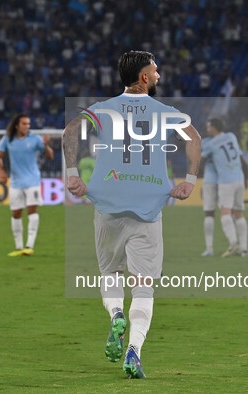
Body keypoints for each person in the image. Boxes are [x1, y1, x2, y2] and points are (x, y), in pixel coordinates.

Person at [63, 51, 201, 379]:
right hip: (148, 206)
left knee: (111, 272)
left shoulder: (103, 108)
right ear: (143, 78)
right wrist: (190, 180)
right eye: (154, 72)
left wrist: (72, 173)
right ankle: (134, 351)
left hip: (107, 202)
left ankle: (115, 314)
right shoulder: (165, 113)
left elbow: (69, 132)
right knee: (143, 287)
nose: (158, 76)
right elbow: (194, 139)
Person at [0, 114, 54, 256]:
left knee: (32, 211)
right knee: (16, 213)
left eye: (28, 124)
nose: (27, 126)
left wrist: (46, 145)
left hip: (32, 181)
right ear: (17, 125)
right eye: (24, 124)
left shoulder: (35, 139)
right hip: (16, 182)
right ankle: (18, 248)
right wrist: (2, 172)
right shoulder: (8, 139)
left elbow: (50, 156)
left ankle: (29, 246)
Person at [201, 119, 248, 257]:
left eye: (209, 126)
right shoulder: (231, 136)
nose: (207, 128)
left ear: (213, 128)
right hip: (239, 178)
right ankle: (244, 249)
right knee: (239, 213)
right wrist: (247, 179)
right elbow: (243, 161)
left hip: (225, 181)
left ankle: (233, 242)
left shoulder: (210, 144)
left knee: (224, 213)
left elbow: (199, 160)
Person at [200, 136, 218, 257]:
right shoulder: (227, 139)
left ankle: (209, 248)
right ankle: (239, 247)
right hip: (226, 179)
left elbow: (198, 159)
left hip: (210, 180)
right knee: (230, 213)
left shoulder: (205, 143)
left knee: (209, 213)